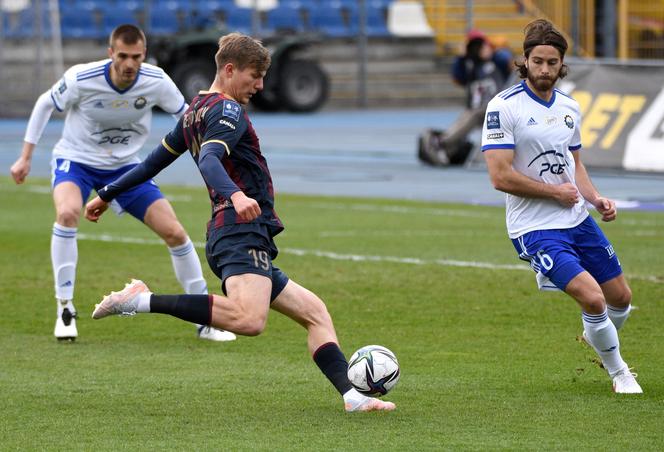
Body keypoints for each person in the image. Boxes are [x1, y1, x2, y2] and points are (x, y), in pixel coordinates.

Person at [83, 33, 396, 412]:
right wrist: (236, 194)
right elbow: (211, 160)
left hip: (242, 232)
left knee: (315, 313)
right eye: (254, 76)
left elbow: (152, 164)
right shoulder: (227, 112)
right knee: (250, 320)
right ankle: (141, 300)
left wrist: (106, 193)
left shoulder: (195, 111)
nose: (260, 85)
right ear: (230, 70)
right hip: (238, 229)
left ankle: (353, 397)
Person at [9, 24, 235, 343]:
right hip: (77, 162)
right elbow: (46, 103)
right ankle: (65, 309)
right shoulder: (81, 78)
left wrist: (211, 150)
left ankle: (205, 320)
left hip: (127, 168)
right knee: (68, 213)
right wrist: (25, 157)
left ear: (144, 55)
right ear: (110, 53)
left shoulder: (155, 80)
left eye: (137, 57)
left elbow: (187, 117)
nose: (130, 64)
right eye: (124, 56)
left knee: (174, 232)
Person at [481, 19, 642, 394]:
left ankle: (599, 338)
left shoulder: (570, 107)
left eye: (552, 63)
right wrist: (555, 193)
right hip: (533, 227)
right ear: (525, 60)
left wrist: (594, 198)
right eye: (537, 61)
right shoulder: (504, 107)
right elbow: (500, 177)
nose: (544, 70)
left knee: (622, 299)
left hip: (576, 218)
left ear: (561, 63)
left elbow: (575, 165)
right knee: (593, 297)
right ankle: (620, 373)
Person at [419, 29, 512, 166]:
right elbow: (457, 78)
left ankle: (441, 142)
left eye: (481, 45)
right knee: (468, 115)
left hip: (499, 108)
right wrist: (460, 57)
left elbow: (509, 61)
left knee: (473, 114)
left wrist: (493, 48)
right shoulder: (471, 66)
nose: (480, 49)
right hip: (478, 109)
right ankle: (446, 151)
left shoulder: (497, 60)